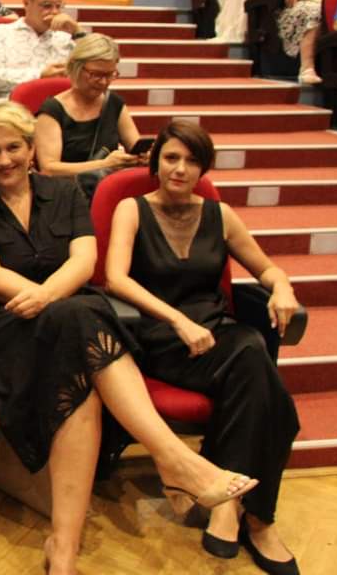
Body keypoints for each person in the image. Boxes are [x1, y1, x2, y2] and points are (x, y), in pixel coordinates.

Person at [0, 101, 258, 575]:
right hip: (3, 329)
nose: (4, 159)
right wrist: (48, 298)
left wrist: (49, 296)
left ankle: (63, 549)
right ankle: (173, 459)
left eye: (14, 148)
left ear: (31, 150)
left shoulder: (64, 190)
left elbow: (83, 261)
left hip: (66, 325)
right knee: (80, 313)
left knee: (82, 380)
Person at [105, 120, 300, 574]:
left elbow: (266, 268)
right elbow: (115, 278)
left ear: (204, 167)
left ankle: (230, 505)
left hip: (216, 335)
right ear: (156, 163)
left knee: (251, 355)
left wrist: (283, 286)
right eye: (171, 158)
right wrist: (177, 320)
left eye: (192, 161)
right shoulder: (131, 209)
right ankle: (260, 520)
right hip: (159, 335)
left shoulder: (220, 214)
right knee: (270, 389)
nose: (180, 169)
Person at [33, 33, 145, 179]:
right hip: (66, 189)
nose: (103, 82)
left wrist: (144, 157)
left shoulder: (114, 103)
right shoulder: (52, 110)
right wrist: (104, 164)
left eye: (110, 75)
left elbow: (136, 147)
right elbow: (49, 169)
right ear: (76, 68)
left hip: (106, 186)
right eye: (95, 74)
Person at [0, 0, 81, 98]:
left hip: (56, 105)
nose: (55, 12)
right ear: (26, 3)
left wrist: (78, 32)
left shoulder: (65, 37)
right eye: (47, 5)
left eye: (58, 6)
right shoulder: (1, 33)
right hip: (10, 106)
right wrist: (39, 75)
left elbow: (92, 72)